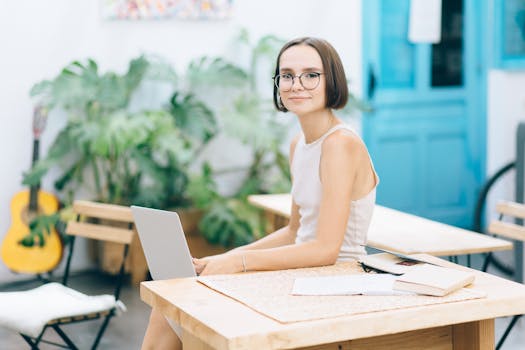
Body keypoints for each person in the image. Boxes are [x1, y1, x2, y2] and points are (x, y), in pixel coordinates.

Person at [141, 37, 379, 350]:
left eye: (310, 74)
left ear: (331, 80)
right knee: (169, 303)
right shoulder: (300, 144)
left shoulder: (340, 144)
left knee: (196, 311)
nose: (297, 84)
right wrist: (223, 259)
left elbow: (325, 250)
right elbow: (295, 231)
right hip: (305, 271)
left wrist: (239, 263)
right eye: (287, 75)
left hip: (338, 278)